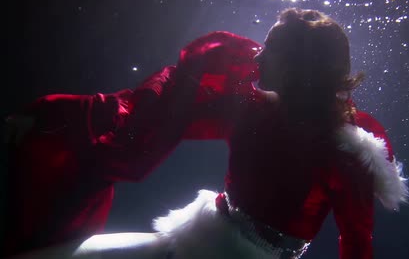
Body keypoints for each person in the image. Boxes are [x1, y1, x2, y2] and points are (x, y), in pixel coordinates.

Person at [10, 8, 409, 259]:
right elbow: (146, 111)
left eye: (269, 47)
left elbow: (357, 243)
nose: (256, 54)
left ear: (297, 65)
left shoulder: (345, 149)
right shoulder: (248, 108)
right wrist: (50, 116)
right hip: (194, 236)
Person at [2, 33, 261, 257]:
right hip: (70, 166)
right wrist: (41, 112)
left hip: (84, 179)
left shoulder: (213, 104)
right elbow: (112, 108)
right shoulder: (163, 93)